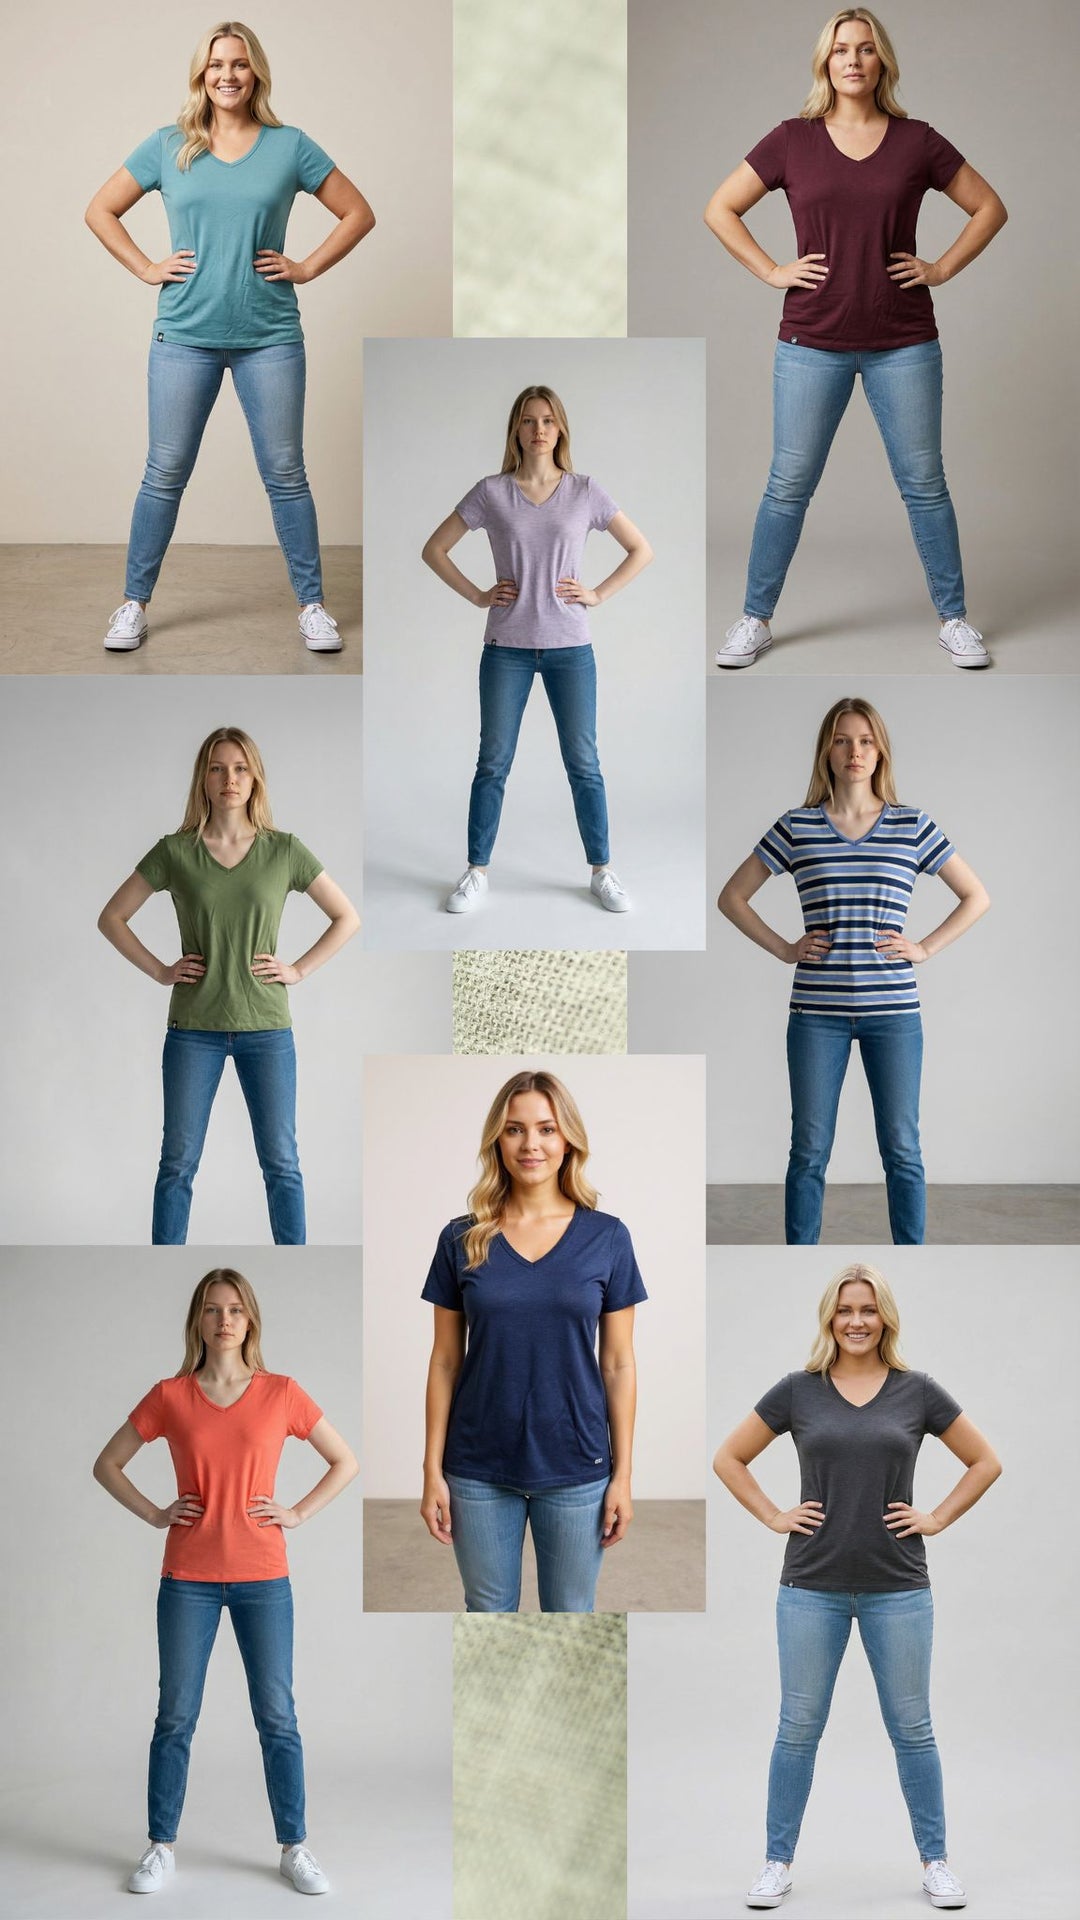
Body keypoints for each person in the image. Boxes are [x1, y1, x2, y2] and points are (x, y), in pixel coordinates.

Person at [704, 9, 1007, 669]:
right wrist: (771, 270)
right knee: (788, 484)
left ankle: (955, 620)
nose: (853, 60)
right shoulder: (792, 140)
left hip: (904, 340)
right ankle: (754, 619)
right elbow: (719, 207)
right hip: (811, 340)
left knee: (924, 483)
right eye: (841, 49)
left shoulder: (918, 141)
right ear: (825, 62)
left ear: (882, 63)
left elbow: (989, 208)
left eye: (866, 50)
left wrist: (941, 267)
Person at [714, 1263, 1001, 1911]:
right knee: (797, 1729)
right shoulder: (798, 1390)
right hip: (809, 1585)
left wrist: (936, 1517)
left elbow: (986, 1462)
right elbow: (728, 1458)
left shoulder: (917, 1391)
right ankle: (776, 1864)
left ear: (886, 1318)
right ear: (829, 1318)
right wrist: (772, 1514)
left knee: (913, 1729)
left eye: (868, 1309)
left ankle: (936, 1864)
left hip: (898, 1587)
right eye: (845, 1309)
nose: (856, 1320)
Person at [85, 20, 375, 654]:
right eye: (216, 64)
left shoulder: (289, 145)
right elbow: (99, 209)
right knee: (164, 472)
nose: (227, 75)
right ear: (200, 74)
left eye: (240, 64)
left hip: (269, 335)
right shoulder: (170, 146)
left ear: (256, 74)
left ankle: (314, 608)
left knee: (285, 474)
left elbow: (359, 213)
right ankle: (132, 604)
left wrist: (305, 267)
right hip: (183, 335)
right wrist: (145, 266)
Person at [93, 1267, 359, 1896]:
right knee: (176, 1716)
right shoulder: (169, 1396)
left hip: (264, 1578)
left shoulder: (282, 1392)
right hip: (187, 1577)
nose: (224, 1320)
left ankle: (294, 1845)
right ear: (198, 1321)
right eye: (212, 1310)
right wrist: (157, 1513)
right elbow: (106, 1464)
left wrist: (295, 1512)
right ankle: (161, 1846)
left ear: (250, 1320)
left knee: (277, 1716)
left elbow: (345, 1461)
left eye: (235, 1309)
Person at [717, 698, 989, 1244]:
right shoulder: (797, 826)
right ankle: (798, 1261)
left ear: (880, 749)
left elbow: (975, 896)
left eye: (865, 740)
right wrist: (784, 948)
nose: (855, 751)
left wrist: (926, 948)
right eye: (842, 739)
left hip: (894, 1016)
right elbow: (733, 898)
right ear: (826, 750)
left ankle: (911, 1262)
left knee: (903, 1150)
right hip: (816, 1016)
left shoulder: (913, 825)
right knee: (809, 1151)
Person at [97, 726, 360, 1244]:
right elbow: (112, 917)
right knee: (178, 1163)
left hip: (267, 1029)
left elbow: (346, 917)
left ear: (254, 777)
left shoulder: (284, 850)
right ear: (203, 778)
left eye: (239, 768)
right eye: (217, 768)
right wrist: (160, 970)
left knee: (282, 1164)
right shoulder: (175, 852)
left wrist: (299, 970)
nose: (229, 779)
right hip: (193, 1028)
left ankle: (293, 1268)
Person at [421, 385, 653, 913]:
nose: (539, 430)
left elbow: (641, 549)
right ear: (516, 431)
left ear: (561, 429)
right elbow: (434, 548)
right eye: (529, 421)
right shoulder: (491, 492)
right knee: (493, 762)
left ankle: (602, 870)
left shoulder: (585, 491)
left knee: (584, 763)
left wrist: (597, 593)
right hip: (506, 647)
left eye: (548, 420)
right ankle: (476, 870)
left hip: (572, 647)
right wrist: (479, 594)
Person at [420, 1070, 646, 1611]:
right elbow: (446, 1361)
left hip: (577, 1462)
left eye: (546, 1129)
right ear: (497, 1140)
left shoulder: (607, 1236)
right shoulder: (461, 1236)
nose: (531, 1145)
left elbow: (618, 1364)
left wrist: (624, 1476)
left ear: (568, 1139)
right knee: (488, 1616)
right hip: (476, 1465)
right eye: (515, 1130)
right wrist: (431, 1469)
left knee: (570, 1620)